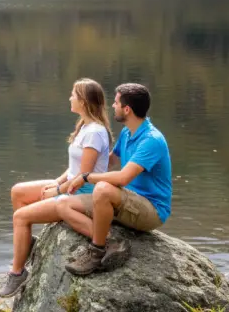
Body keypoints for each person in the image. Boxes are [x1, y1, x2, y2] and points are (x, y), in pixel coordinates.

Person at [0, 78, 113, 298]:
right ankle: (26, 244)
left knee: (20, 217)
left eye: (73, 94)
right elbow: (73, 168)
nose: (70, 97)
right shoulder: (84, 126)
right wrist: (57, 182)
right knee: (18, 192)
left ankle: (17, 272)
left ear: (84, 101)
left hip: (80, 194)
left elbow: (83, 177)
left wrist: (58, 192)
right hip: (69, 185)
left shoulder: (95, 132)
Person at [56, 83, 172, 276]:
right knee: (63, 204)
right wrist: (71, 175)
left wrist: (86, 177)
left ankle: (97, 251)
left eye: (117, 103)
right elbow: (109, 162)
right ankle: (112, 243)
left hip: (151, 210)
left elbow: (123, 177)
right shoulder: (128, 132)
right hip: (127, 200)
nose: (112, 106)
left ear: (127, 109)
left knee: (102, 189)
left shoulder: (151, 140)